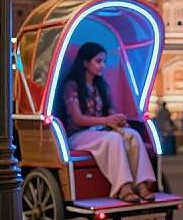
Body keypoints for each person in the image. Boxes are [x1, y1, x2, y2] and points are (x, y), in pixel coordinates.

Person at [63, 42, 156, 203]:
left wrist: (117, 120)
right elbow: (77, 118)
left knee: (132, 135)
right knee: (114, 139)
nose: (103, 66)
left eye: (104, 61)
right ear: (85, 63)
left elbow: (109, 111)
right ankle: (123, 187)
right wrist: (106, 120)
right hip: (78, 136)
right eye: (98, 61)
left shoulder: (101, 86)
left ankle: (140, 184)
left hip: (100, 132)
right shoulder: (72, 86)